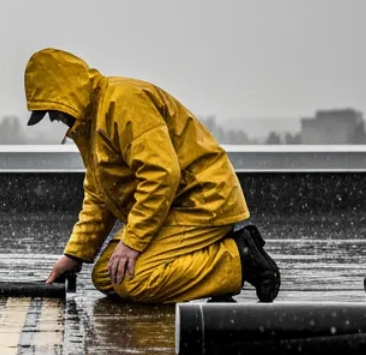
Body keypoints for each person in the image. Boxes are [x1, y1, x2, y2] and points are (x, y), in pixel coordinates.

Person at [24, 48, 280, 303]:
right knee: (107, 275)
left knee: (132, 279)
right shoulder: (91, 125)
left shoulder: (122, 102)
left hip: (202, 201)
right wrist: (75, 255)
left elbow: (162, 174)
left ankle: (237, 259)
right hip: (173, 206)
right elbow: (99, 197)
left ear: (65, 95)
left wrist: (133, 242)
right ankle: (215, 259)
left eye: (51, 110)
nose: (53, 119)